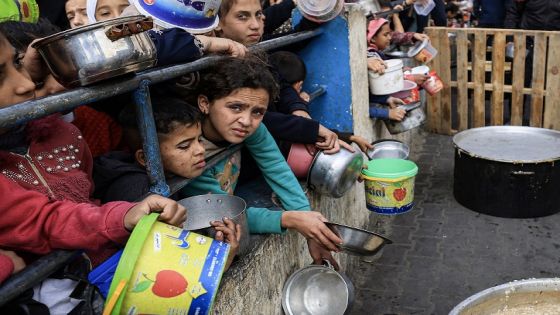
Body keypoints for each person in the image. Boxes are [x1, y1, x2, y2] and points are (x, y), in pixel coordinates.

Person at [0, 30, 185, 312]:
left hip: (100, 273)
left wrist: (123, 216)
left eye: (19, 64)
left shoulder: (65, 134)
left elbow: (43, 218)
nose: (26, 84)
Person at [178, 54, 343, 268]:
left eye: (257, 112)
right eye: (235, 107)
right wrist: (291, 219)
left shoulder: (248, 128)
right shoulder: (189, 149)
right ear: (205, 103)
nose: (246, 121)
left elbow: (275, 167)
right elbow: (221, 212)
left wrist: (310, 224)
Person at [94, 96, 241, 268]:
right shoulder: (135, 190)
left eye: (199, 140)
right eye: (184, 146)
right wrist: (220, 262)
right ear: (144, 157)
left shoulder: (169, 175)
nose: (200, 150)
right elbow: (158, 269)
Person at [269, 51, 374, 154]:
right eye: (300, 87)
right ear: (299, 84)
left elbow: (318, 130)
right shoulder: (280, 111)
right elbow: (306, 128)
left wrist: (351, 137)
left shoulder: (278, 105)